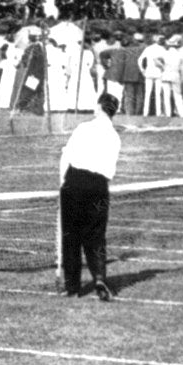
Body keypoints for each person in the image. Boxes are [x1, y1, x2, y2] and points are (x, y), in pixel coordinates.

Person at [58, 92, 123, 300]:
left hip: (75, 183)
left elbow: (66, 156)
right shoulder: (114, 136)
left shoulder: (83, 128)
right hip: (98, 187)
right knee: (96, 237)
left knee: (71, 238)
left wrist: (63, 183)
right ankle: (99, 277)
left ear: (98, 108)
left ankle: (73, 287)